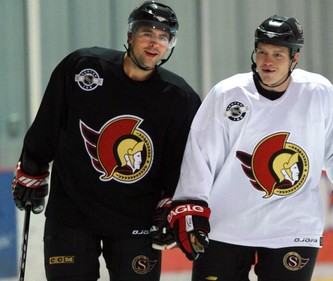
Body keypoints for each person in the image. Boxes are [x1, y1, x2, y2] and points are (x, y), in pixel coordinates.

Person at [167, 15, 333, 281]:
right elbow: (200, 154)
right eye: (262, 52)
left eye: (278, 54)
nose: (267, 61)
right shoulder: (228, 94)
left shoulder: (318, 93)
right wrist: (191, 205)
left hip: (293, 227)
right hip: (226, 225)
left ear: (295, 59)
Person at [11, 1, 201, 280]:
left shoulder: (179, 98)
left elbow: (181, 161)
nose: (154, 42)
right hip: (72, 214)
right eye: (147, 33)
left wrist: (170, 203)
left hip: (136, 220)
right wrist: (31, 168)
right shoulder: (83, 68)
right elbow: (48, 124)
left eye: (163, 36)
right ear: (130, 36)